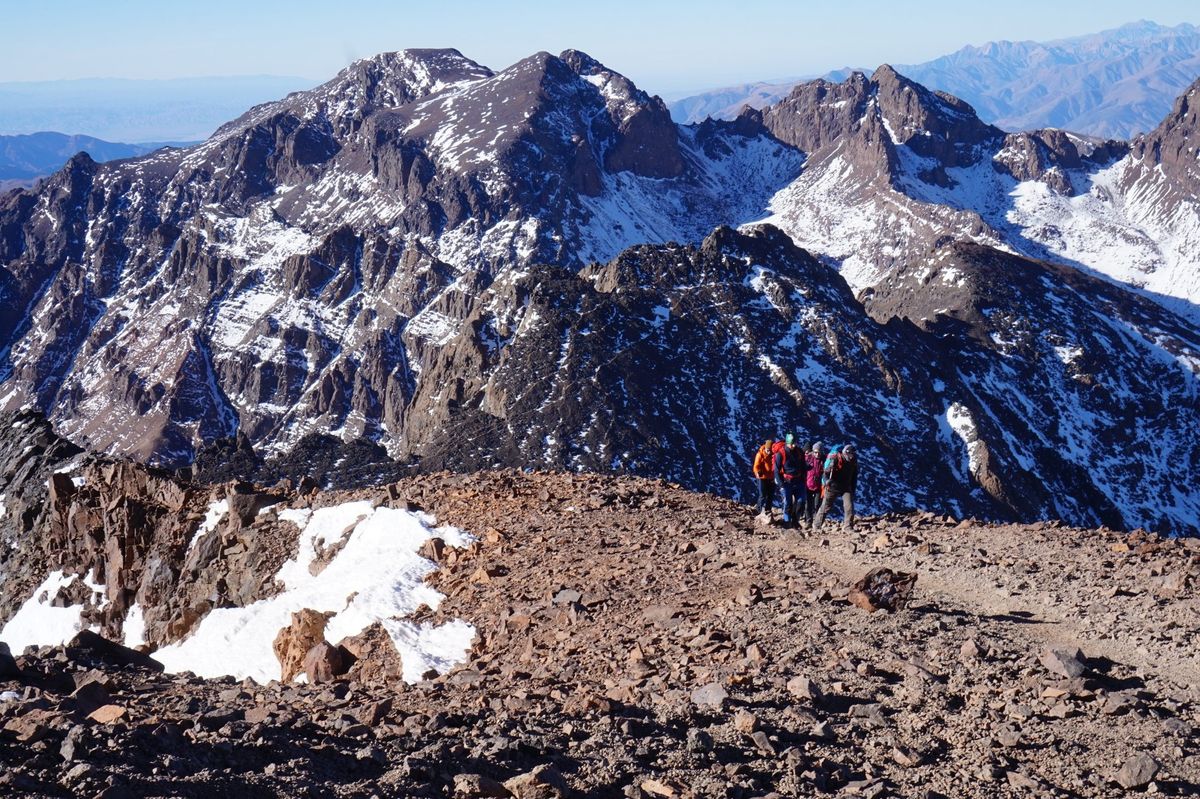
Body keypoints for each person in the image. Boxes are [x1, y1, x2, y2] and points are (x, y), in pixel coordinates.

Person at [813, 443, 858, 531]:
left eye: (852, 454)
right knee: (826, 506)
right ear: (845, 453)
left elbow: (854, 476)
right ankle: (817, 525)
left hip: (846, 486)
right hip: (833, 486)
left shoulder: (853, 461)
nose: (851, 456)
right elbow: (825, 473)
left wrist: (853, 489)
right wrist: (826, 482)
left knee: (849, 506)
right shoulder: (836, 459)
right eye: (850, 454)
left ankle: (848, 526)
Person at [773, 433, 807, 527]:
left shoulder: (799, 452)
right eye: (792, 443)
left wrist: (804, 478)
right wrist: (781, 485)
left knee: (801, 501)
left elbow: (803, 466)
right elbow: (776, 470)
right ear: (787, 443)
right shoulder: (781, 453)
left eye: (795, 443)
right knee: (788, 503)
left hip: (799, 481)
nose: (794, 445)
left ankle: (795, 521)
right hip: (786, 482)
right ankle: (787, 522)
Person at [751, 437, 776, 521]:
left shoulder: (774, 455)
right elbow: (756, 466)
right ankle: (758, 510)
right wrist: (757, 472)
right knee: (762, 494)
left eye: (770, 450)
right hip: (762, 477)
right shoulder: (760, 454)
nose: (769, 452)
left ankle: (768, 510)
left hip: (771, 477)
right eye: (768, 450)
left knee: (770, 495)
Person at [803, 442, 825, 528]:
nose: (817, 454)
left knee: (817, 505)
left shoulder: (824, 460)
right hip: (808, 485)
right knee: (808, 504)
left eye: (819, 452)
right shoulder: (808, 458)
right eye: (815, 452)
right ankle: (808, 521)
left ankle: (816, 522)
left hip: (818, 486)